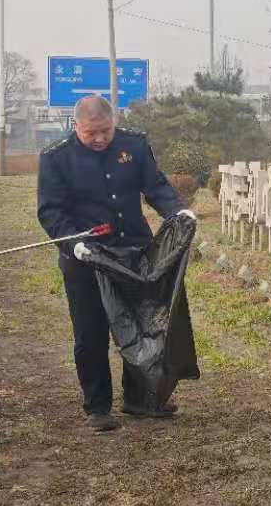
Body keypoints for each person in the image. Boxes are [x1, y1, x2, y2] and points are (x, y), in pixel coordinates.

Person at [36, 95, 195, 431]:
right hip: (86, 257)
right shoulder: (56, 158)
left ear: (114, 123)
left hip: (134, 252)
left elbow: (155, 186)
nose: (99, 139)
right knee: (90, 332)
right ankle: (97, 406)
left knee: (141, 325)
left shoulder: (133, 145)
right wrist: (73, 243)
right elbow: (51, 211)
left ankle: (139, 398)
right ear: (76, 126)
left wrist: (178, 211)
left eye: (105, 131)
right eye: (90, 133)